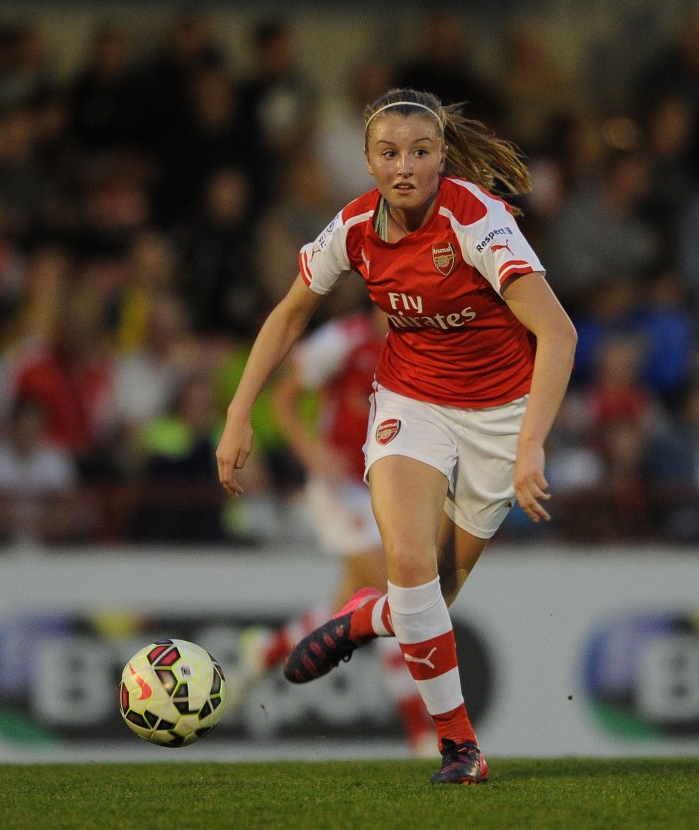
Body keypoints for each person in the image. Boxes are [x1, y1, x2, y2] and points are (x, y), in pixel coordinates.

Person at [216, 87, 576, 784]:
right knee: (407, 560)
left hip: (502, 418)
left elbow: (557, 332)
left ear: (443, 156)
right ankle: (459, 747)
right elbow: (289, 315)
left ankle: (357, 621)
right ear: (368, 160)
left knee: (430, 600)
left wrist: (530, 441)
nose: (404, 167)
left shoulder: (477, 218)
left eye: (419, 152)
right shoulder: (353, 227)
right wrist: (238, 415)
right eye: (388, 153)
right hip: (412, 403)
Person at [232, 303, 435, 755]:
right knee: (393, 590)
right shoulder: (344, 340)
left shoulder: (423, 342)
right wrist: (312, 454)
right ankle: (419, 730)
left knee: (355, 604)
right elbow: (282, 397)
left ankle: (269, 647)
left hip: (384, 486)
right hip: (340, 488)